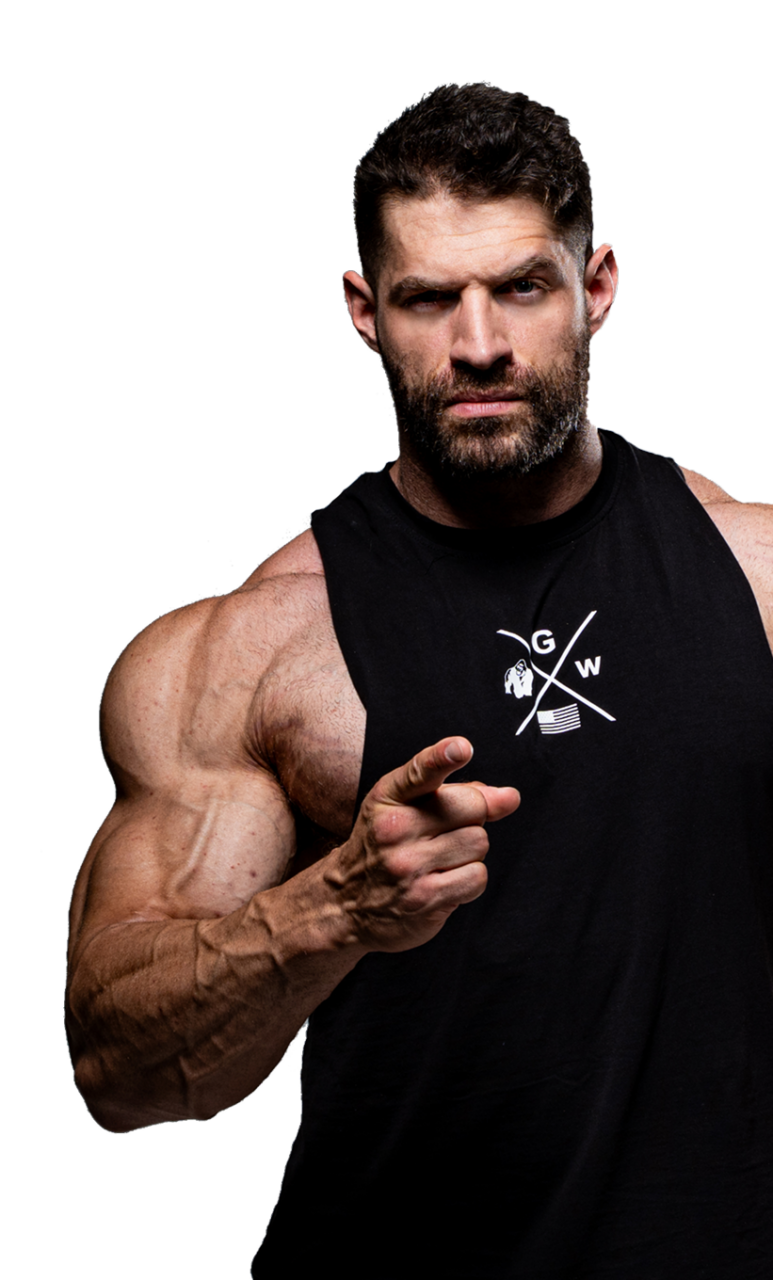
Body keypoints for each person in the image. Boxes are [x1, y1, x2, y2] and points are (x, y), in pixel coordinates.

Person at [66, 84, 772, 1277]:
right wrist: (333, 908)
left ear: (596, 287)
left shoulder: (756, 577)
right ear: (364, 311)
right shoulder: (249, 651)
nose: (479, 343)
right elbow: (120, 1069)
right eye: (428, 298)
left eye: (522, 287)